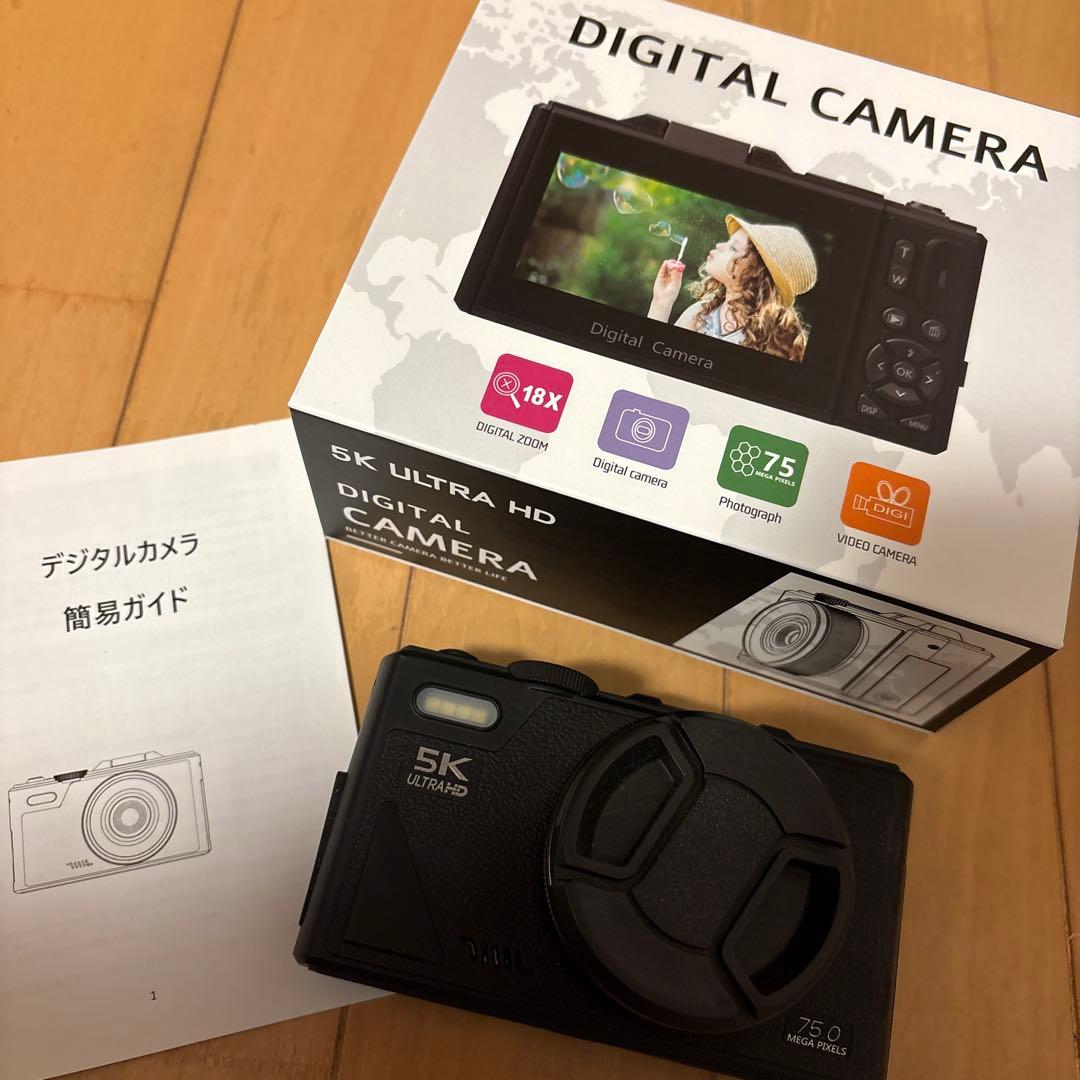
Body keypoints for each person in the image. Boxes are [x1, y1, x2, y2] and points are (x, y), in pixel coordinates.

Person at [646, 214, 818, 363]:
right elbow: (653, 360)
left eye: (733, 247)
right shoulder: (700, 313)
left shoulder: (769, 342)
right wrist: (662, 302)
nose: (720, 245)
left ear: (756, 273)